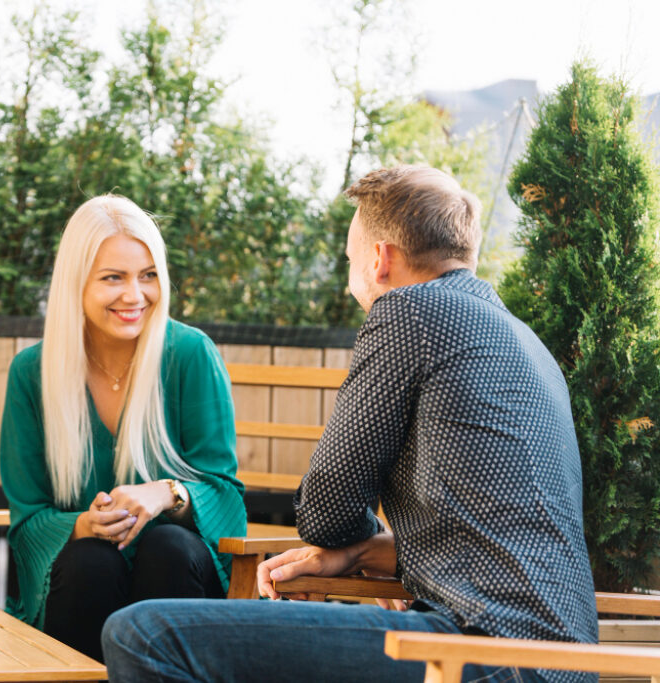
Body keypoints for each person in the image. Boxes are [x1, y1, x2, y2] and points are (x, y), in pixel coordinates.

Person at [101, 166, 598, 682]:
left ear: (380, 260)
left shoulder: (408, 310)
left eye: (349, 260)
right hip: (558, 664)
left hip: (481, 651)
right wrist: (377, 552)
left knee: (144, 634)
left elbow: (325, 512)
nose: (349, 279)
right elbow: (496, 530)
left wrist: (348, 540)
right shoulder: (527, 343)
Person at [0, 194, 247, 662]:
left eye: (148, 275)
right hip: (79, 582)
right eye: (114, 277)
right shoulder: (31, 373)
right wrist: (80, 524)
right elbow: (27, 520)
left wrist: (169, 493)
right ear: (77, 282)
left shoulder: (191, 354)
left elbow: (229, 503)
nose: (135, 295)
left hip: (179, 575)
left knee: (167, 546)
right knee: (90, 557)